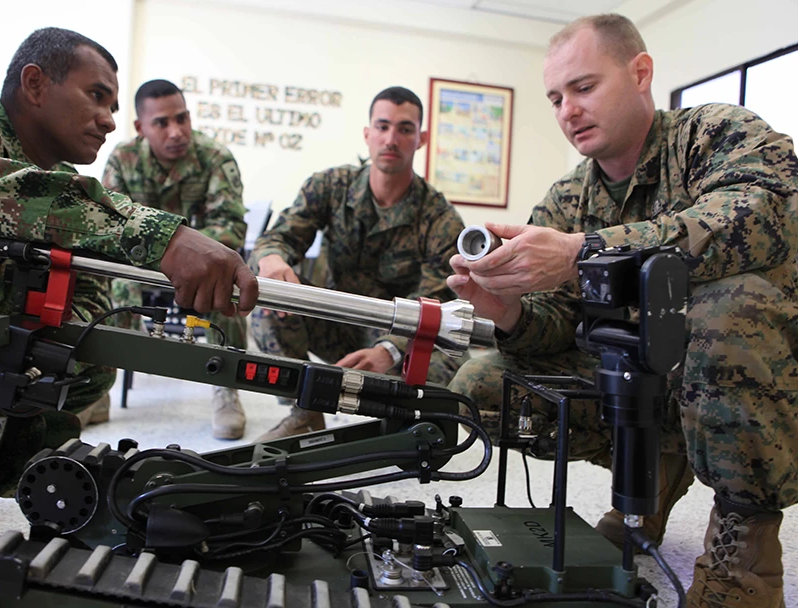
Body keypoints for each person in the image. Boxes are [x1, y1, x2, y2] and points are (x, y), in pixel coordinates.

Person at [447, 14, 798, 607]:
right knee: (482, 383)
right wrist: (508, 311)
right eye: (555, 98)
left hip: (746, 367)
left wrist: (587, 251)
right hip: (644, 381)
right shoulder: (567, 197)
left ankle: (745, 554)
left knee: (724, 309)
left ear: (640, 73)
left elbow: (767, 214)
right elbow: (556, 322)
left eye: (583, 88)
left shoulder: (714, 132)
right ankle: (653, 477)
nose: (567, 111)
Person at [0, 27, 257, 557]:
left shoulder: (54, 178)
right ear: (35, 84)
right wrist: (161, 236)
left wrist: (48, 354)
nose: (108, 118)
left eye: (111, 102)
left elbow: (87, 289)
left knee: (86, 348)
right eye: (96, 96)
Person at [249, 86, 466, 441]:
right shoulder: (332, 186)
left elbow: (434, 302)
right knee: (270, 308)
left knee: (448, 372)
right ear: (367, 134)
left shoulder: (439, 218)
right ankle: (304, 413)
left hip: (400, 334)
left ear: (421, 138)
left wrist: (389, 350)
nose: (391, 139)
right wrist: (271, 260)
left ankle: (391, 426)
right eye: (382, 127)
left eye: (405, 129)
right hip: (339, 320)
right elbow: (280, 237)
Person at [103, 79, 248, 440]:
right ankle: (101, 382)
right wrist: (164, 255)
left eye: (182, 118)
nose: (177, 131)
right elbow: (109, 225)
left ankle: (226, 383)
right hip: (141, 269)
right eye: (162, 123)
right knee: (108, 279)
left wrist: (190, 258)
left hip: (200, 269)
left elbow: (229, 226)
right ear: (140, 128)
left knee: (223, 280)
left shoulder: (215, 158)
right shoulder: (123, 160)